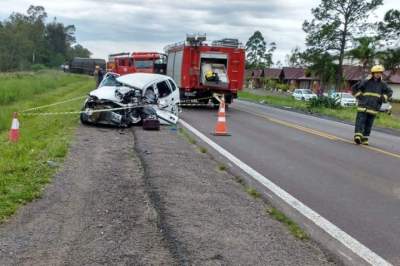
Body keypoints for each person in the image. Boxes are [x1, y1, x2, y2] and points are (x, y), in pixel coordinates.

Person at [351, 65, 393, 145]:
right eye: (376, 73)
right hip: (363, 106)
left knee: (369, 124)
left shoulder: (383, 84)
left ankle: (365, 138)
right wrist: (359, 96)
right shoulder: (365, 81)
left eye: (380, 73)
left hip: (374, 108)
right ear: (373, 73)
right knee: (360, 121)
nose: (378, 74)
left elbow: (389, 92)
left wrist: (383, 98)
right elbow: (354, 88)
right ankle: (358, 136)